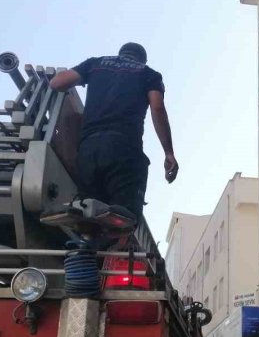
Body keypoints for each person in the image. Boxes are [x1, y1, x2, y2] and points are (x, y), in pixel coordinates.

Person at [49, 42, 179, 221]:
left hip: (88, 149)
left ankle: (89, 245)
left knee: (88, 212)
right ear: (142, 59)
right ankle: (116, 239)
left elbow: (57, 82)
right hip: (123, 149)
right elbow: (157, 108)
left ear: (120, 54)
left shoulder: (95, 64)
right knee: (124, 217)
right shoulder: (149, 74)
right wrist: (169, 153)